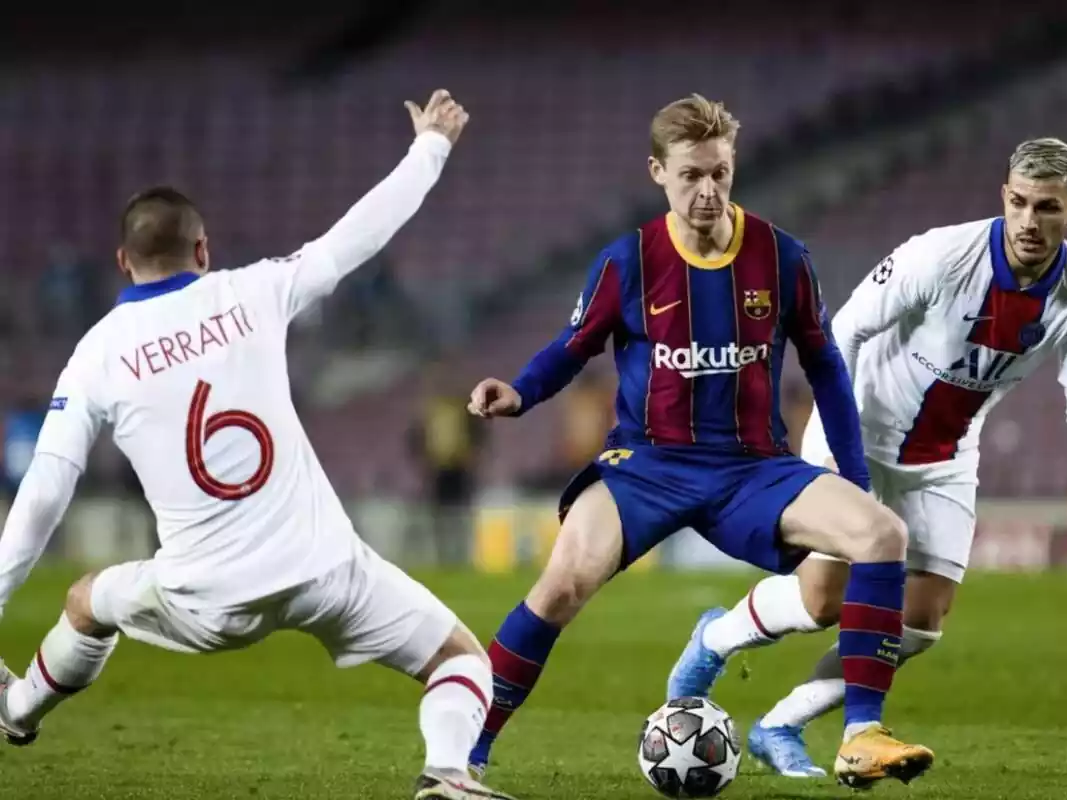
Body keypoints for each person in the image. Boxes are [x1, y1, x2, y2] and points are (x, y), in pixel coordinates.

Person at [0, 90, 517, 800]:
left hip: (204, 596)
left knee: (89, 600)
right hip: (325, 570)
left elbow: (45, 489)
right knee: (462, 660)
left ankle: (19, 710)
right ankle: (448, 773)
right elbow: (355, 238)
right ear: (203, 250)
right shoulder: (251, 293)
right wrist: (430, 146)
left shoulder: (95, 356)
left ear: (123, 261)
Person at [465, 94, 934, 790]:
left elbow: (827, 366)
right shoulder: (629, 262)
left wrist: (853, 477)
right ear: (659, 171)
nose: (708, 190)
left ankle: (861, 735)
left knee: (881, 534)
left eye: (719, 172)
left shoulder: (781, 257)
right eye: (691, 175)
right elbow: (574, 346)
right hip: (646, 466)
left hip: (753, 468)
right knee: (561, 584)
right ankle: (461, 757)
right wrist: (522, 392)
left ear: (733, 165)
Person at [667, 137, 1067, 778]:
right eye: (1018, 202)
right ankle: (715, 637)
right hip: (860, 433)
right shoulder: (940, 256)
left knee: (922, 621)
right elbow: (840, 332)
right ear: (1003, 198)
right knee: (822, 601)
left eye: (1047, 207)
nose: (1028, 221)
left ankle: (779, 724)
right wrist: (840, 452)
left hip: (948, 455)